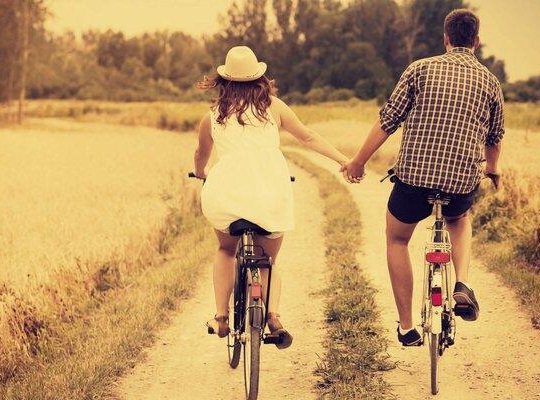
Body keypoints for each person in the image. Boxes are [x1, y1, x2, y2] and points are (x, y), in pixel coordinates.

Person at [342, 9, 504, 346]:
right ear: (475, 41)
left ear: (445, 38)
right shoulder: (490, 81)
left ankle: (406, 327)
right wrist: (492, 169)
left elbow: (387, 121)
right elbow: (494, 137)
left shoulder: (419, 69)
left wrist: (358, 161)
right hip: (460, 183)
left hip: (413, 181)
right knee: (459, 219)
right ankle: (462, 283)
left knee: (397, 239)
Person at [194, 46, 349, 349]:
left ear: (224, 81)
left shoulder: (211, 116)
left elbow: (201, 155)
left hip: (225, 196)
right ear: (259, 79)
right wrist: (343, 160)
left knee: (226, 250)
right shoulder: (274, 107)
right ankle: (273, 316)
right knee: (269, 259)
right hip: (270, 194)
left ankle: (221, 317)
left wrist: (200, 173)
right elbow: (308, 137)